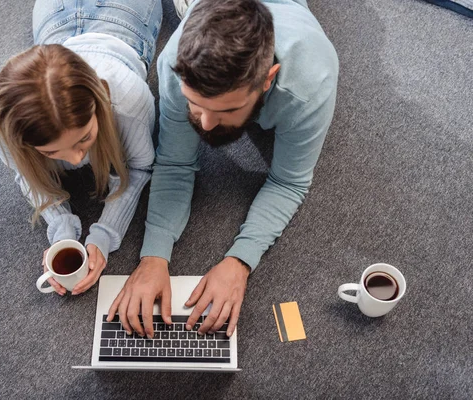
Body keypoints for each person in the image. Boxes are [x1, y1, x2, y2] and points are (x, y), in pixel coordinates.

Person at [107, 0, 339, 337]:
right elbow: (174, 162)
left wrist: (240, 262)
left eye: (226, 109)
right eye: (194, 102)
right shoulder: (174, 64)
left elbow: (288, 183)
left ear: (266, 80)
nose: (206, 123)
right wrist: (153, 256)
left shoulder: (310, 84)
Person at [0, 0, 162, 295]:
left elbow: (140, 165)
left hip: (126, 16)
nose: (77, 159)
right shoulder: (2, 113)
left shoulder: (128, 99)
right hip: (55, 20)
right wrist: (60, 230)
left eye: (84, 138)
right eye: (51, 152)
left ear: (101, 102)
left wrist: (104, 235)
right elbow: (24, 173)